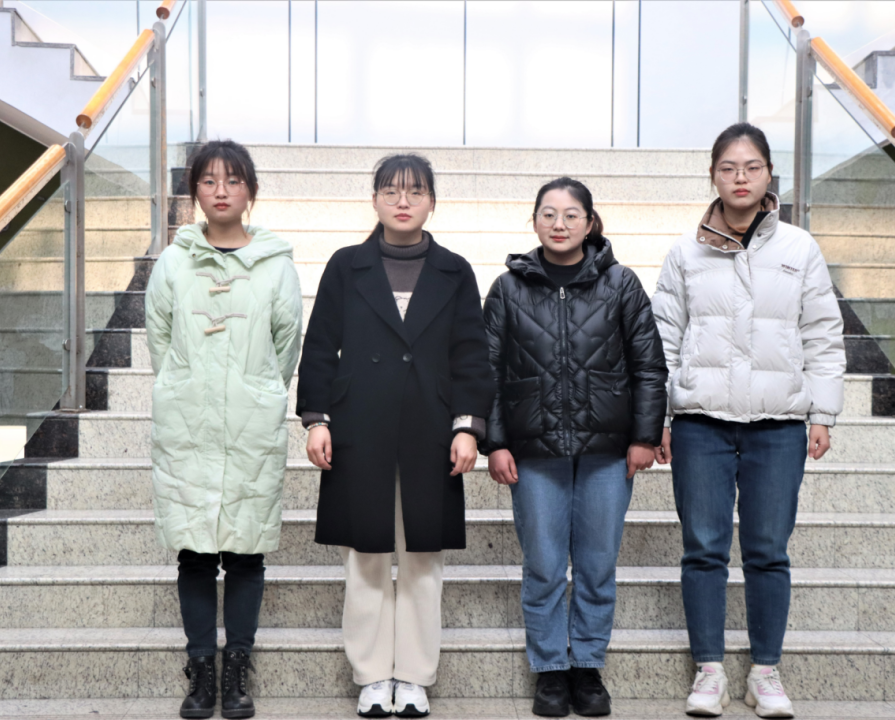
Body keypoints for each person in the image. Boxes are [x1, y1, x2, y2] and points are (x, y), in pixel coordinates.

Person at [652, 123, 845, 718]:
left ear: (768, 175)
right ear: (713, 175)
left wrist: (823, 411)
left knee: (767, 549)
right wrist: (659, 416)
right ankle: (709, 670)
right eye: (729, 167)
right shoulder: (684, 253)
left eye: (752, 166)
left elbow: (822, 332)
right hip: (700, 421)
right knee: (703, 548)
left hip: (778, 423)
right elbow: (662, 339)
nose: (740, 177)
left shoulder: (799, 248)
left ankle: (765, 672)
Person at [296, 153, 494, 718]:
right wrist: (316, 419)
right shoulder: (347, 265)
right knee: (365, 556)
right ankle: (371, 675)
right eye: (390, 191)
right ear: (375, 199)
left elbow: (471, 355)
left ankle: (413, 676)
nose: (402, 201)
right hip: (359, 426)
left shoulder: (454, 270)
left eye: (414, 191)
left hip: (431, 429)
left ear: (432, 201)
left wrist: (468, 427)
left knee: (422, 558)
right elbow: (320, 345)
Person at [481, 177, 668, 718]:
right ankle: (549, 670)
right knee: (543, 565)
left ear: (589, 222)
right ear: (534, 221)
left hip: (607, 452)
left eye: (570, 215)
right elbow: (486, 372)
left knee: (596, 564)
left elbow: (649, 366)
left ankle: (586, 666)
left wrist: (644, 436)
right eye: (548, 214)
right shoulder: (507, 289)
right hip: (533, 452)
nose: (558, 224)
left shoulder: (621, 283)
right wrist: (495, 443)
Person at [145, 140, 303, 719]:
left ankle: (237, 668)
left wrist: (256, 391)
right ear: (195, 192)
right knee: (193, 552)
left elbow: (287, 345)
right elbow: (160, 340)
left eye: (233, 181)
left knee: (245, 552)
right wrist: (186, 386)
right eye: (209, 181)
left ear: (250, 192)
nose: (220, 191)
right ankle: (200, 671)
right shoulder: (173, 262)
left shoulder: (276, 265)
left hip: (249, 424)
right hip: (187, 422)